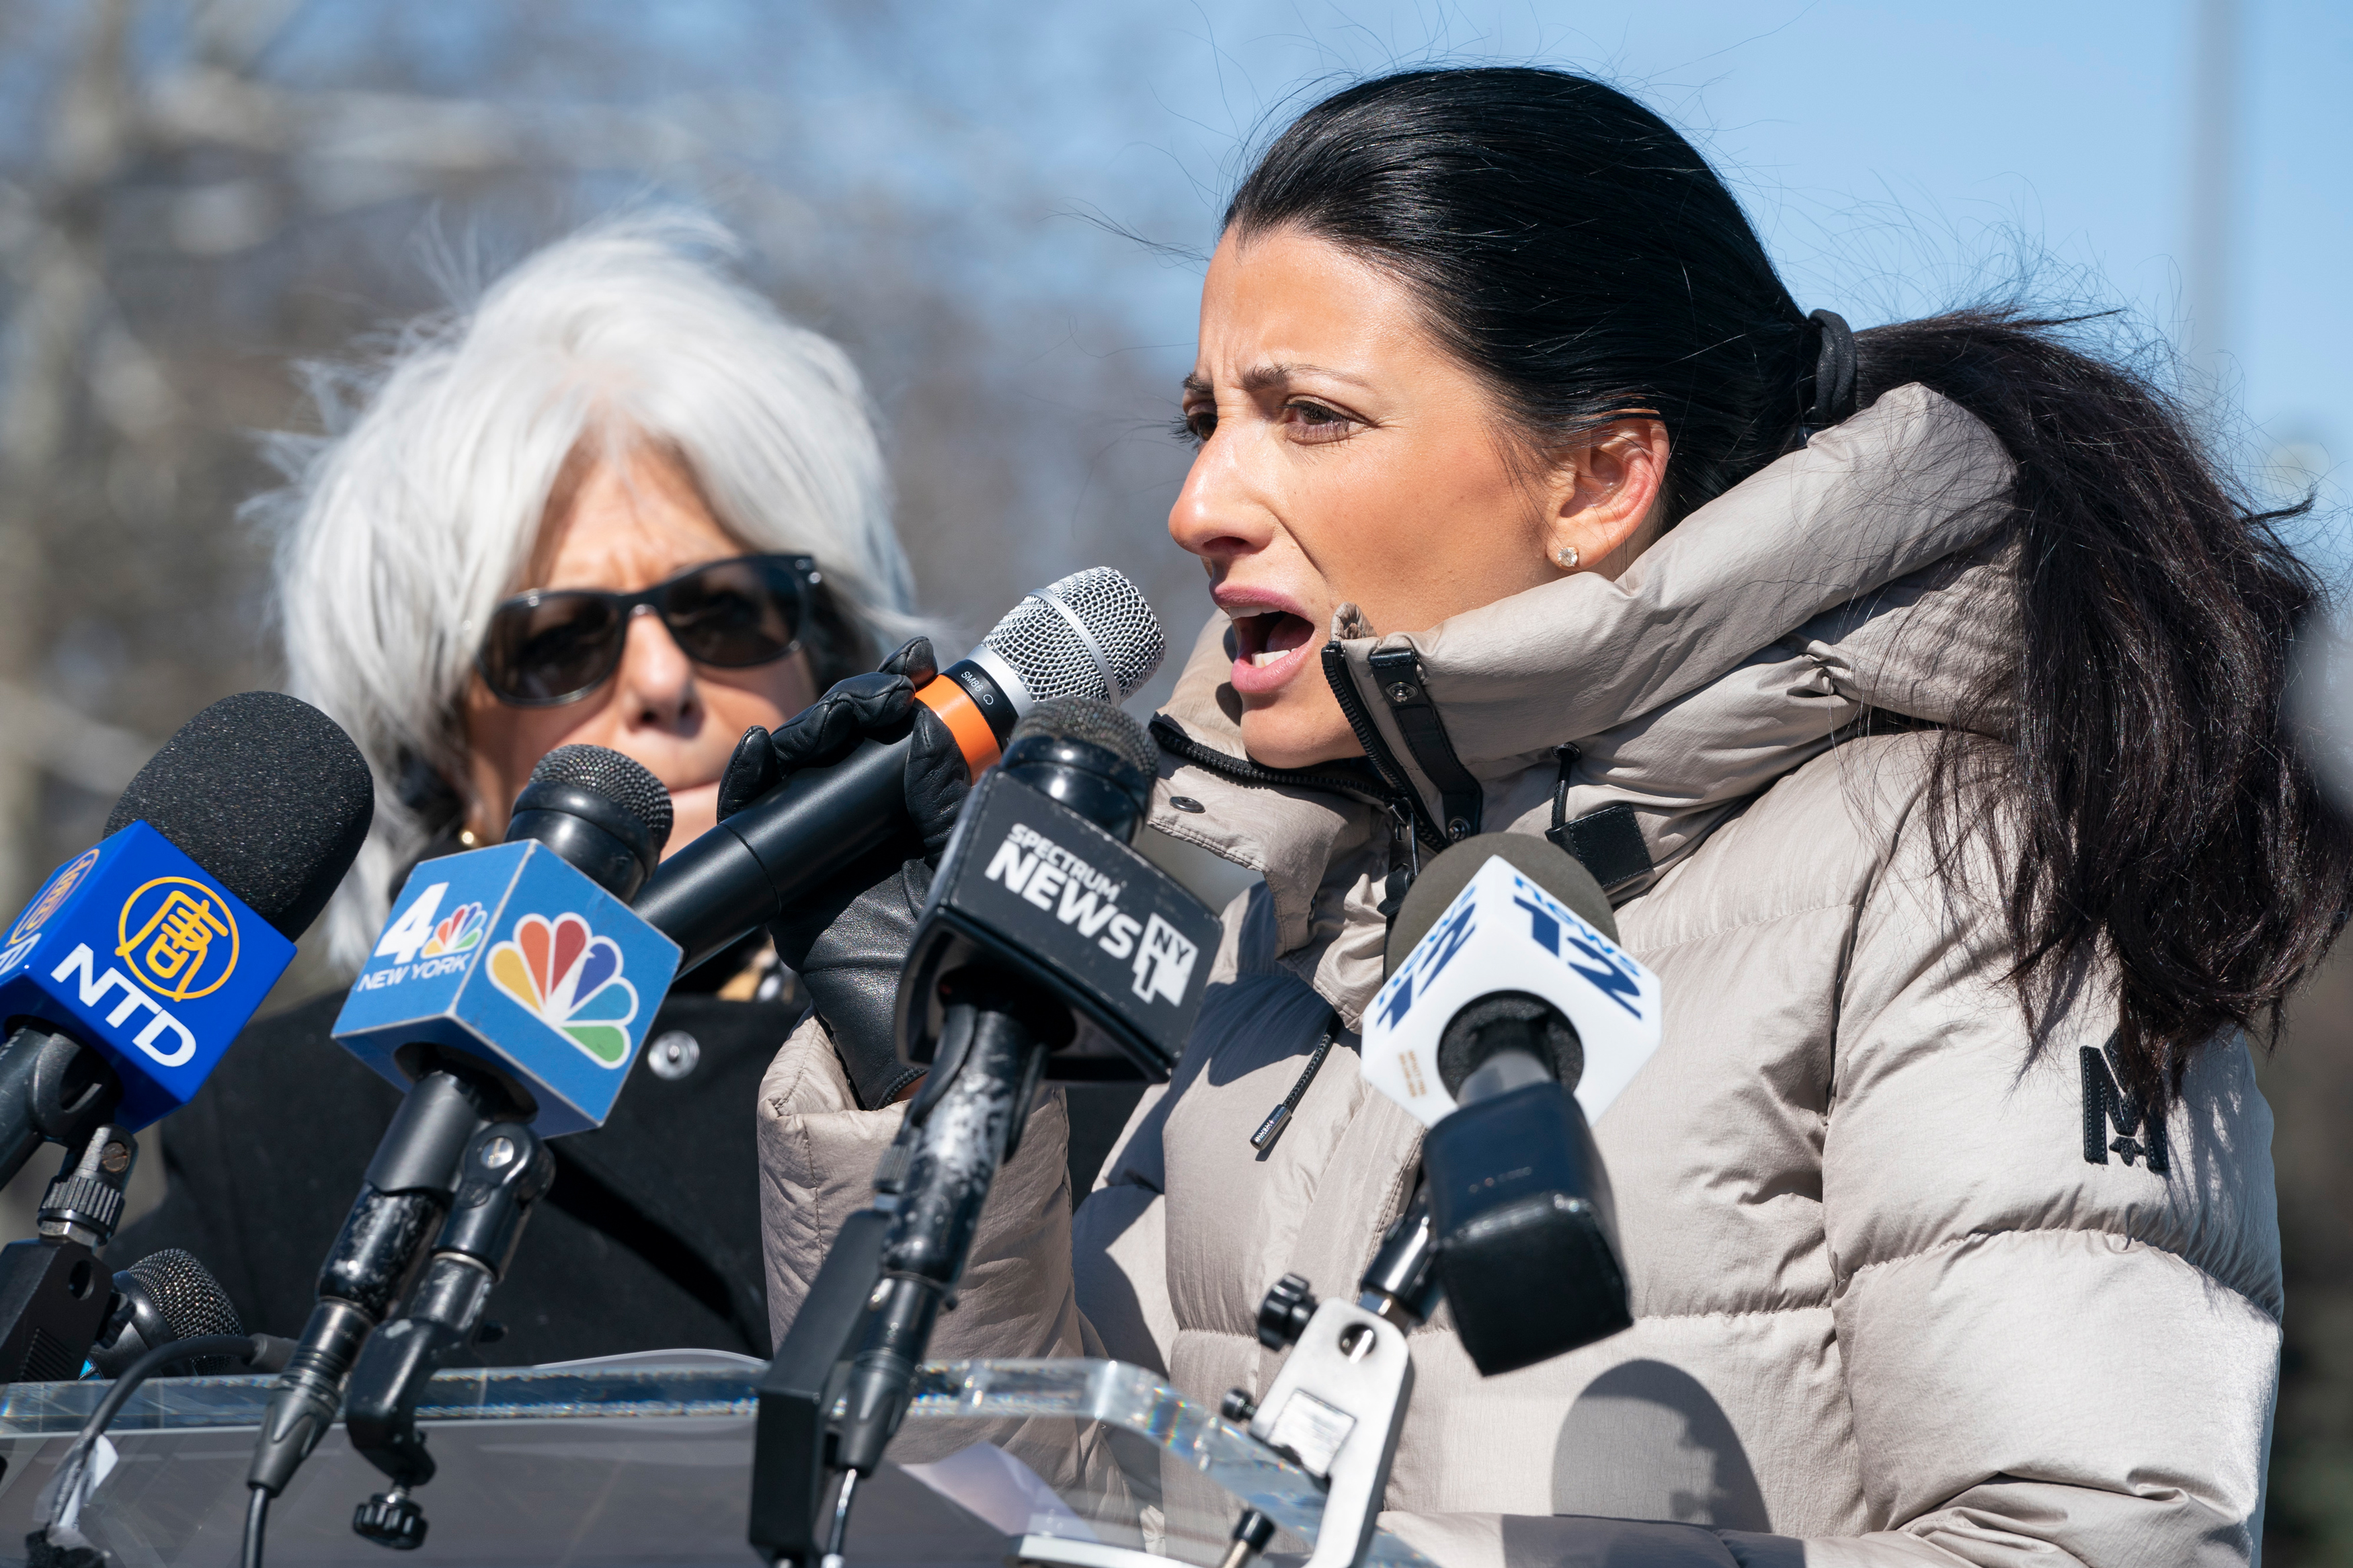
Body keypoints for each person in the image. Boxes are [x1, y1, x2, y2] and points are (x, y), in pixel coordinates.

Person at [755, 69, 2340, 1565]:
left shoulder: (1953, 864)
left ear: (1597, 480)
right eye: (1205, 420)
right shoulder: (1295, 900)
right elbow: (1056, 1508)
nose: (1199, 505)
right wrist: (913, 1076)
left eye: (1309, 416)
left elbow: (2088, 1543)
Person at [114, 215, 1076, 1364]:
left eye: (728, 610)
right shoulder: (284, 1119)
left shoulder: (1040, 1051)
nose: (664, 681)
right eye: (560, 642)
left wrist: (908, 1051)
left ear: (825, 653)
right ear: (441, 750)